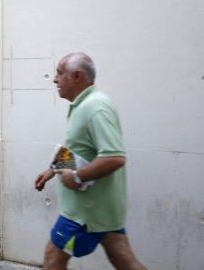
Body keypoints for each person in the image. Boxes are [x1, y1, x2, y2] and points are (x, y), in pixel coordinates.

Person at [34, 53, 146, 270]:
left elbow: (115, 157)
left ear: (76, 76)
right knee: (125, 262)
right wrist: (52, 170)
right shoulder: (83, 104)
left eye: (59, 73)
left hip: (84, 213)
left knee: (52, 260)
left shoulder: (96, 107)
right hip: (98, 208)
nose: (55, 79)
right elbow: (79, 149)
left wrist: (77, 176)